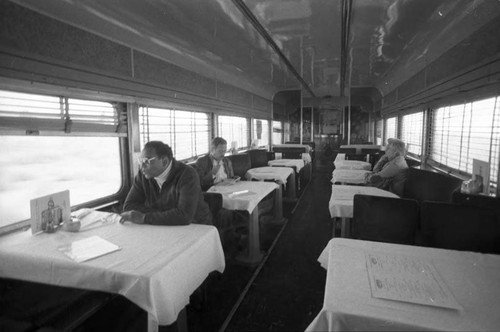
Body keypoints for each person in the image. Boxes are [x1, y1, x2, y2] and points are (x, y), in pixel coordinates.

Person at [120, 141, 211, 225]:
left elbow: (184, 215)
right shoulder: (143, 175)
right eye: (141, 161)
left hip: (196, 225)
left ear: (164, 161)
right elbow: (129, 206)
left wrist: (144, 217)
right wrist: (166, 215)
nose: (142, 166)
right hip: (161, 224)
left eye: (146, 161)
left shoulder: (187, 174)